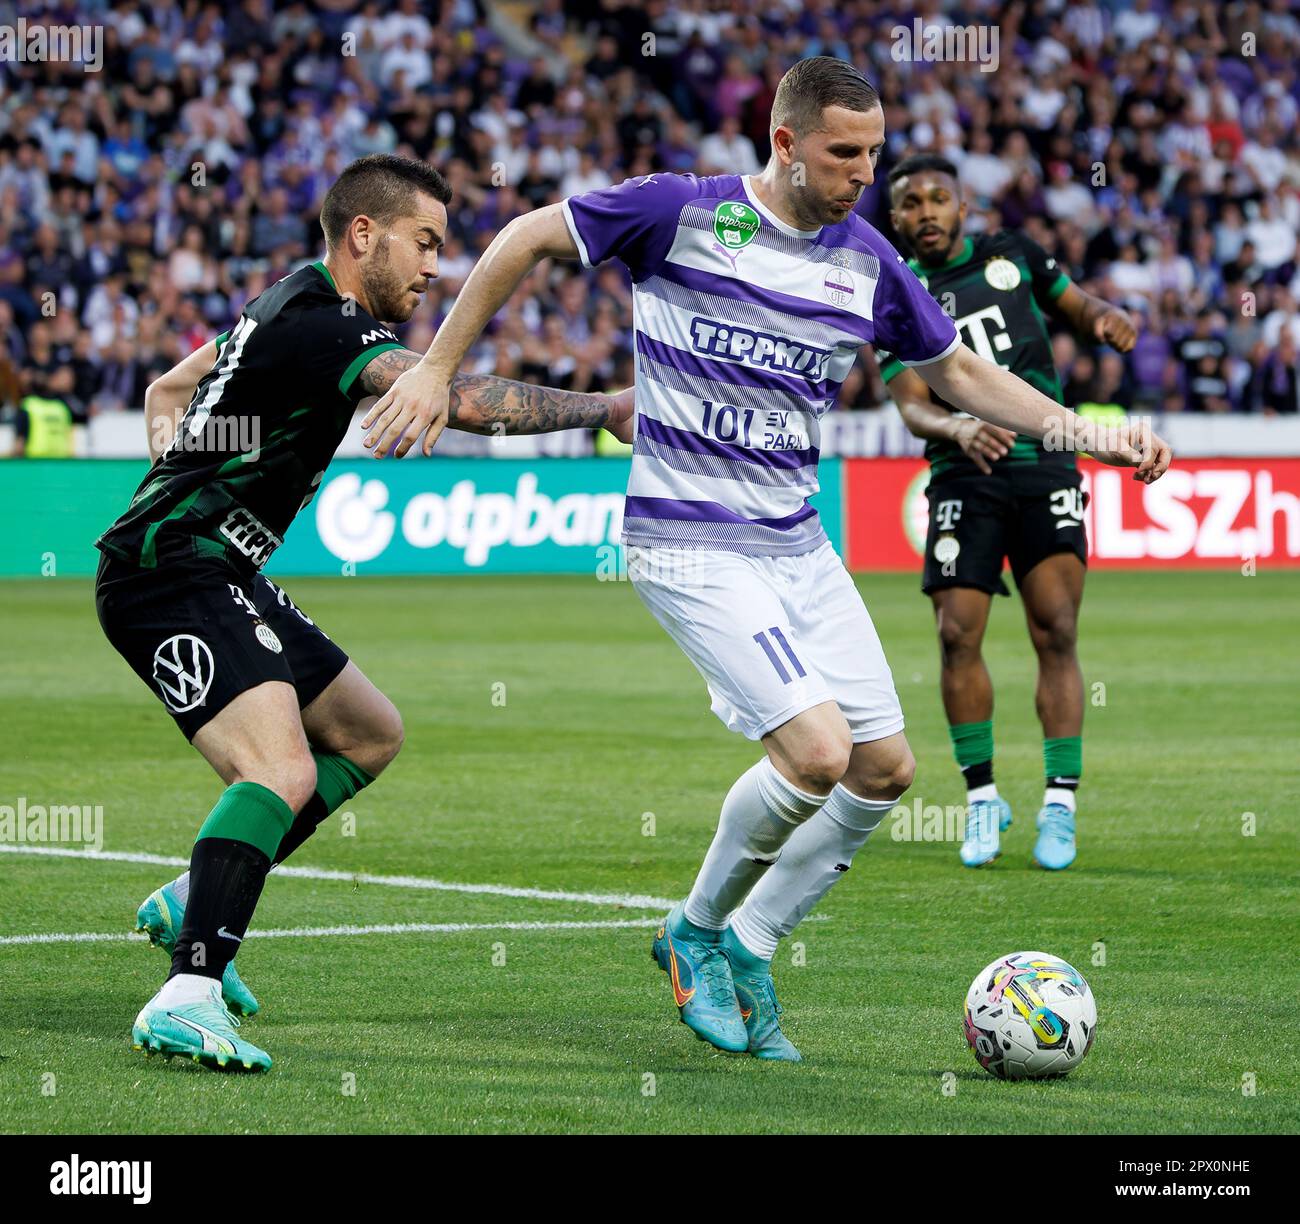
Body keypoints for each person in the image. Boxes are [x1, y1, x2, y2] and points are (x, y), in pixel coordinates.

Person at [361, 59, 1170, 1061]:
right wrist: (437, 368)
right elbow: (528, 234)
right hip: (686, 539)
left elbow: (955, 371)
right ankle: (692, 932)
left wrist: (1083, 434)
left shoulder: (867, 260)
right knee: (818, 753)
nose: (861, 176)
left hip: (794, 543)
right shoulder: (679, 213)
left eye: (872, 154)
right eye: (842, 154)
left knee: (882, 769)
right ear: (783, 143)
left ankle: (749, 943)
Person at [94, 154, 632, 1072]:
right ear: (363, 235)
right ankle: (187, 991)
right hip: (169, 572)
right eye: (424, 245)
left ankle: (194, 897)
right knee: (279, 769)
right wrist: (607, 407)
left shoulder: (283, 304)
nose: (434, 269)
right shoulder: (329, 325)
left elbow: (168, 394)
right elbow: (452, 396)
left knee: (368, 733)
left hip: (211, 561)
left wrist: (186, 482)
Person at [881, 153, 1142, 871]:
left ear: (963, 207)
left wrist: (1105, 317)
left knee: (1055, 628)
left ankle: (1059, 804)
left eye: (938, 198)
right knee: (956, 634)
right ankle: (981, 799)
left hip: (1047, 460)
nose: (926, 211)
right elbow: (910, 405)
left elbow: (1078, 307)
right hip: (964, 473)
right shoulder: (892, 290)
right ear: (895, 218)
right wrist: (958, 426)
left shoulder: (1014, 253)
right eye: (910, 203)